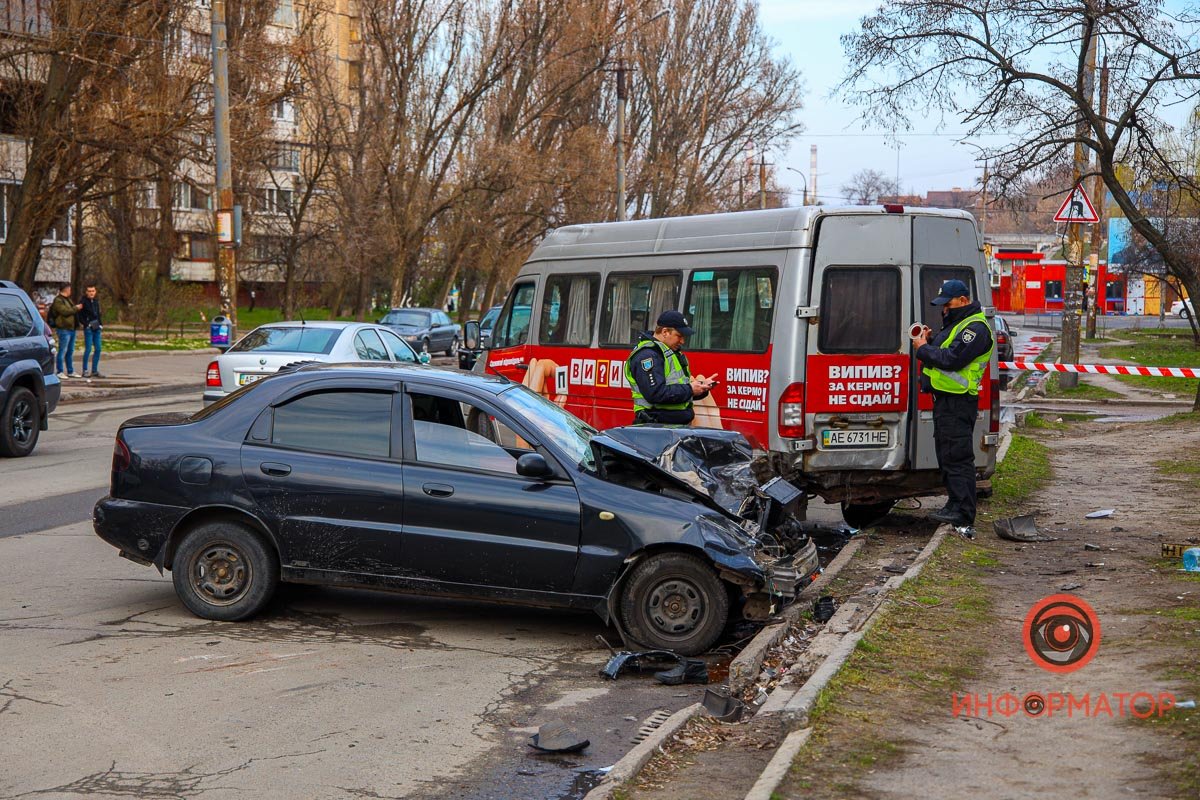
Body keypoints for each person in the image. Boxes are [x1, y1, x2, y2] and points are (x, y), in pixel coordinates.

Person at [913, 279, 994, 535]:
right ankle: (954, 503)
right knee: (948, 456)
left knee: (958, 458)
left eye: (947, 304)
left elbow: (952, 359)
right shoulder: (958, 324)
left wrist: (923, 349)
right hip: (946, 401)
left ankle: (963, 513)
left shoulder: (976, 328)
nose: (944, 310)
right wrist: (931, 339)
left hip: (959, 402)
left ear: (963, 300)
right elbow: (946, 348)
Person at [624, 310, 715, 425]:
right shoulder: (648, 355)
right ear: (665, 332)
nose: (682, 341)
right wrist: (690, 389)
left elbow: (677, 391)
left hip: (672, 428)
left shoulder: (670, 352)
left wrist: (700, 389)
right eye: (679, 336)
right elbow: (656, 393)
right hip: (656, 428)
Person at [49, 283, 82, 378]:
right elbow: (65, 312)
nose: (70, 291)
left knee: (70, 351)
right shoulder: (58, 300)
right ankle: (60, 371)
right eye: (69, 289)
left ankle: (70, 371)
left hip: (71, 328)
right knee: (63, 350)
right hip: (63, 329)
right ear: (66, 289)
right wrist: (76, 308)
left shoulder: (67, 300)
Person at [78, 284, 104, 378]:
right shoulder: (83, 302)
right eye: (89, 291)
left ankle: (94, 370)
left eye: (93, 291)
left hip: (97, 327)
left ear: (95, 292)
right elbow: (79, 315)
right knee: (88, 349)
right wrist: (86, 324)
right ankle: (85, 370)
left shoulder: (96, 302)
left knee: (98, 349)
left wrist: (101, 325)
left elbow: (98, 314)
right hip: (89, 328)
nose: (91, 293)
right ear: (86, 292)